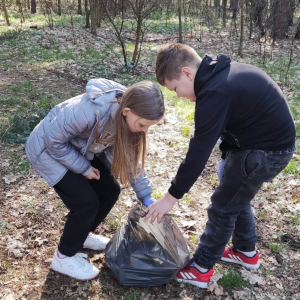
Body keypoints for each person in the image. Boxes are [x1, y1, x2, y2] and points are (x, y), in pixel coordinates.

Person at [145, 43, 296, 288]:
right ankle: (246, 252)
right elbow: (236, 119)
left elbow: (199, 151)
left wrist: (170, 198)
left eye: (174, 88)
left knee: (223, 207)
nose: (178, 95)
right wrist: (228, 157)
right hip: (263, 145)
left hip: (266, 152)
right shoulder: (218, 75)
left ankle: (202, 268)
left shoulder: (215, 92)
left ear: (186, 73)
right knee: (236, 197)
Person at [26, 78, 164, 281]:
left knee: (109, 191)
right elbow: (53, 140)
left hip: (77, 149)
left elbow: (132, 162)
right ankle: (63, 256)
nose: (144, 130)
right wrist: (84, 169)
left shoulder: (129, 119)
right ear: (126, 111)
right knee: (85, 202)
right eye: (143, 124)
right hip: (47, 151)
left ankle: (82, 236)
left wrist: (147, 197)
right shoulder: (91, 110)